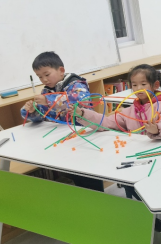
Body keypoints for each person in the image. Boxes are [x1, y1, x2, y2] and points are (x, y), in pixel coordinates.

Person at [75, 64, 161, 204]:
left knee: (158, 192)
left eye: (143, 84)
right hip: (142, 157)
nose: (138, 88)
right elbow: (108, 122)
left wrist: (157, 129)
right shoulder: (131, 110)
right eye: (134, 85)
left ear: (155, 85)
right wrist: (82, 113)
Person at [21, 51, 103, 192]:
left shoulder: (76, 84)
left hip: (84, 135)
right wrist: (32, 111)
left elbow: (78, 100)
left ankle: (98, 198)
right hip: (65, 138)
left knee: (90, 174)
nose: (44, 80)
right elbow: (43, 115)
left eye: (47, 74)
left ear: (61, 70)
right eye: (39, 77)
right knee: (75, 174)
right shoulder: (47, 91)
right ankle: (84, 198)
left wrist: (48, 100)